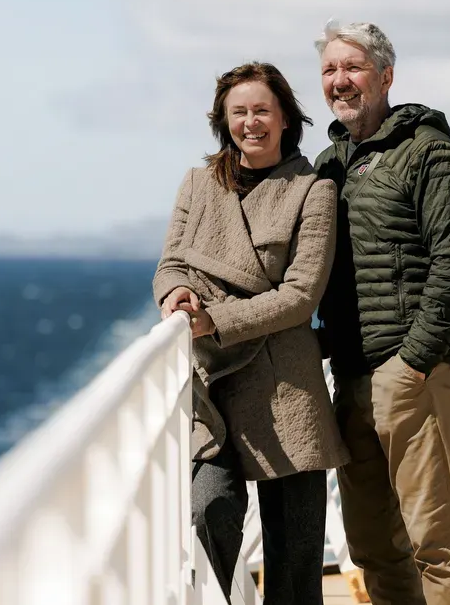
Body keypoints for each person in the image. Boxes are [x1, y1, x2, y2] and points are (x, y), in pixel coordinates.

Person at [152, 61, 350, 603]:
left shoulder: (313, 191)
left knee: (294, 562)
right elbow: (169, 264)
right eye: (238, 112)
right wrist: (175, 295)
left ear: (286, 117)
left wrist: (215, 319)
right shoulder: (198, 182)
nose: (251, 122)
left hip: (284, 385)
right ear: (223, 121)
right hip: (209, 384)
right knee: (208, 511)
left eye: (262, 110)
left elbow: (300, 295)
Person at [312, 20, 450, 605]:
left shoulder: (430, 151)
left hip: (413, 371)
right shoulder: (328, 165)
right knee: (372, 544)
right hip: (352, 375)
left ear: (385, 75)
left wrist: (414, 360)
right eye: (330, 70)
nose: (340, 81)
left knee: (434, 539)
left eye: (352, 67)